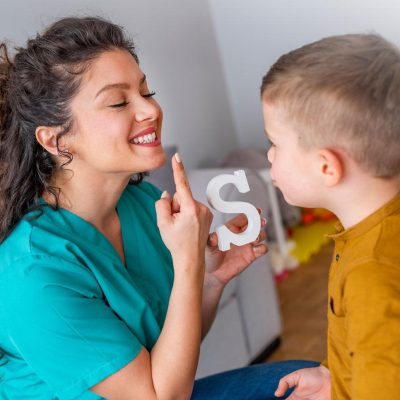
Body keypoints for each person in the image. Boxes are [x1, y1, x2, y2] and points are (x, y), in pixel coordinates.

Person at [0, 16, 318, 400]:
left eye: (146, 92)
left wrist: (209, 279)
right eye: (119, 101)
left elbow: (171, 348)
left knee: (309, 383)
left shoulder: (144, 204)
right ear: (55, 139)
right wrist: (188, 263)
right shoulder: (33, 271)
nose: (150, 110)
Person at [260, 33, 400, 399]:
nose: (270, 156)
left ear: (326, 167)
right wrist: (333, 376)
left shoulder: (372, 273)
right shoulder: (372, 228)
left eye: (275, 143)